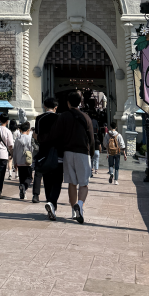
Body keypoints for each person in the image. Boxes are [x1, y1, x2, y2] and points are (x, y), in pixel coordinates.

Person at [48, 90, 95, 224]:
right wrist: (91, 154)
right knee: (84, 184)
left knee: (72, 183)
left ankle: (74, 211)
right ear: (80, 102)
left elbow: (56, 134)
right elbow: (91, 139)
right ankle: (79, 205)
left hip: (68, 152)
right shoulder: (86, 117)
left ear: (68, 103)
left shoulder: (63, 116)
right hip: (83, 153)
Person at [32, 97, 59, 206]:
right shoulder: (59, 118)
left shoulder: (39, 118)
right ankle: (53, 202)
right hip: (57, 152)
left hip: (43, 151)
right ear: (56, 107)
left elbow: (37, 136)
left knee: (45, 177)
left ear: (44, 106)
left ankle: (48, 199)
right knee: (56, 178)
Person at [13, 121, 33, 199]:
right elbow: (31, 150)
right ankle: (24, 186)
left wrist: (15, 162)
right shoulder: (29, 138)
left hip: (19, 162)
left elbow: (15, 151)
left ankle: (22, 193)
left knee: (22, 178)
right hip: (27, 161)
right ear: (28, 130)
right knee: (29, 178)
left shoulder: (17, 139)